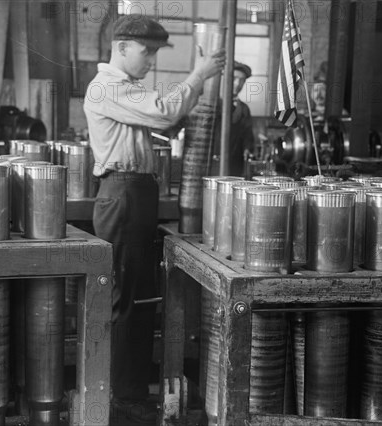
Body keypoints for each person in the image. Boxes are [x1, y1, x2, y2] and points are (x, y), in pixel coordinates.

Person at [83, 14, 225, 424]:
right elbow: (163, 113)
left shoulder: (127, 88)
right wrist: (198, 73)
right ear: (122, 47)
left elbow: (163, 117)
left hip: (137, 193)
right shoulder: (106, 87)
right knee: (125, 299)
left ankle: (129, 391)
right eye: (146, 52)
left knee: (140, 298)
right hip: (123, 193)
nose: (150, 61)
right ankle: (122, 398)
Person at [212, 61, 255, 176]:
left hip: (235, 166)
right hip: (212, 163)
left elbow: (248, 136)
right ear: (224, 78)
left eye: (242, 80)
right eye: (235, 78)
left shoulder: (244, 109)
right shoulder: (212, 105)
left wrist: (247, 148)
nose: (237, 84)